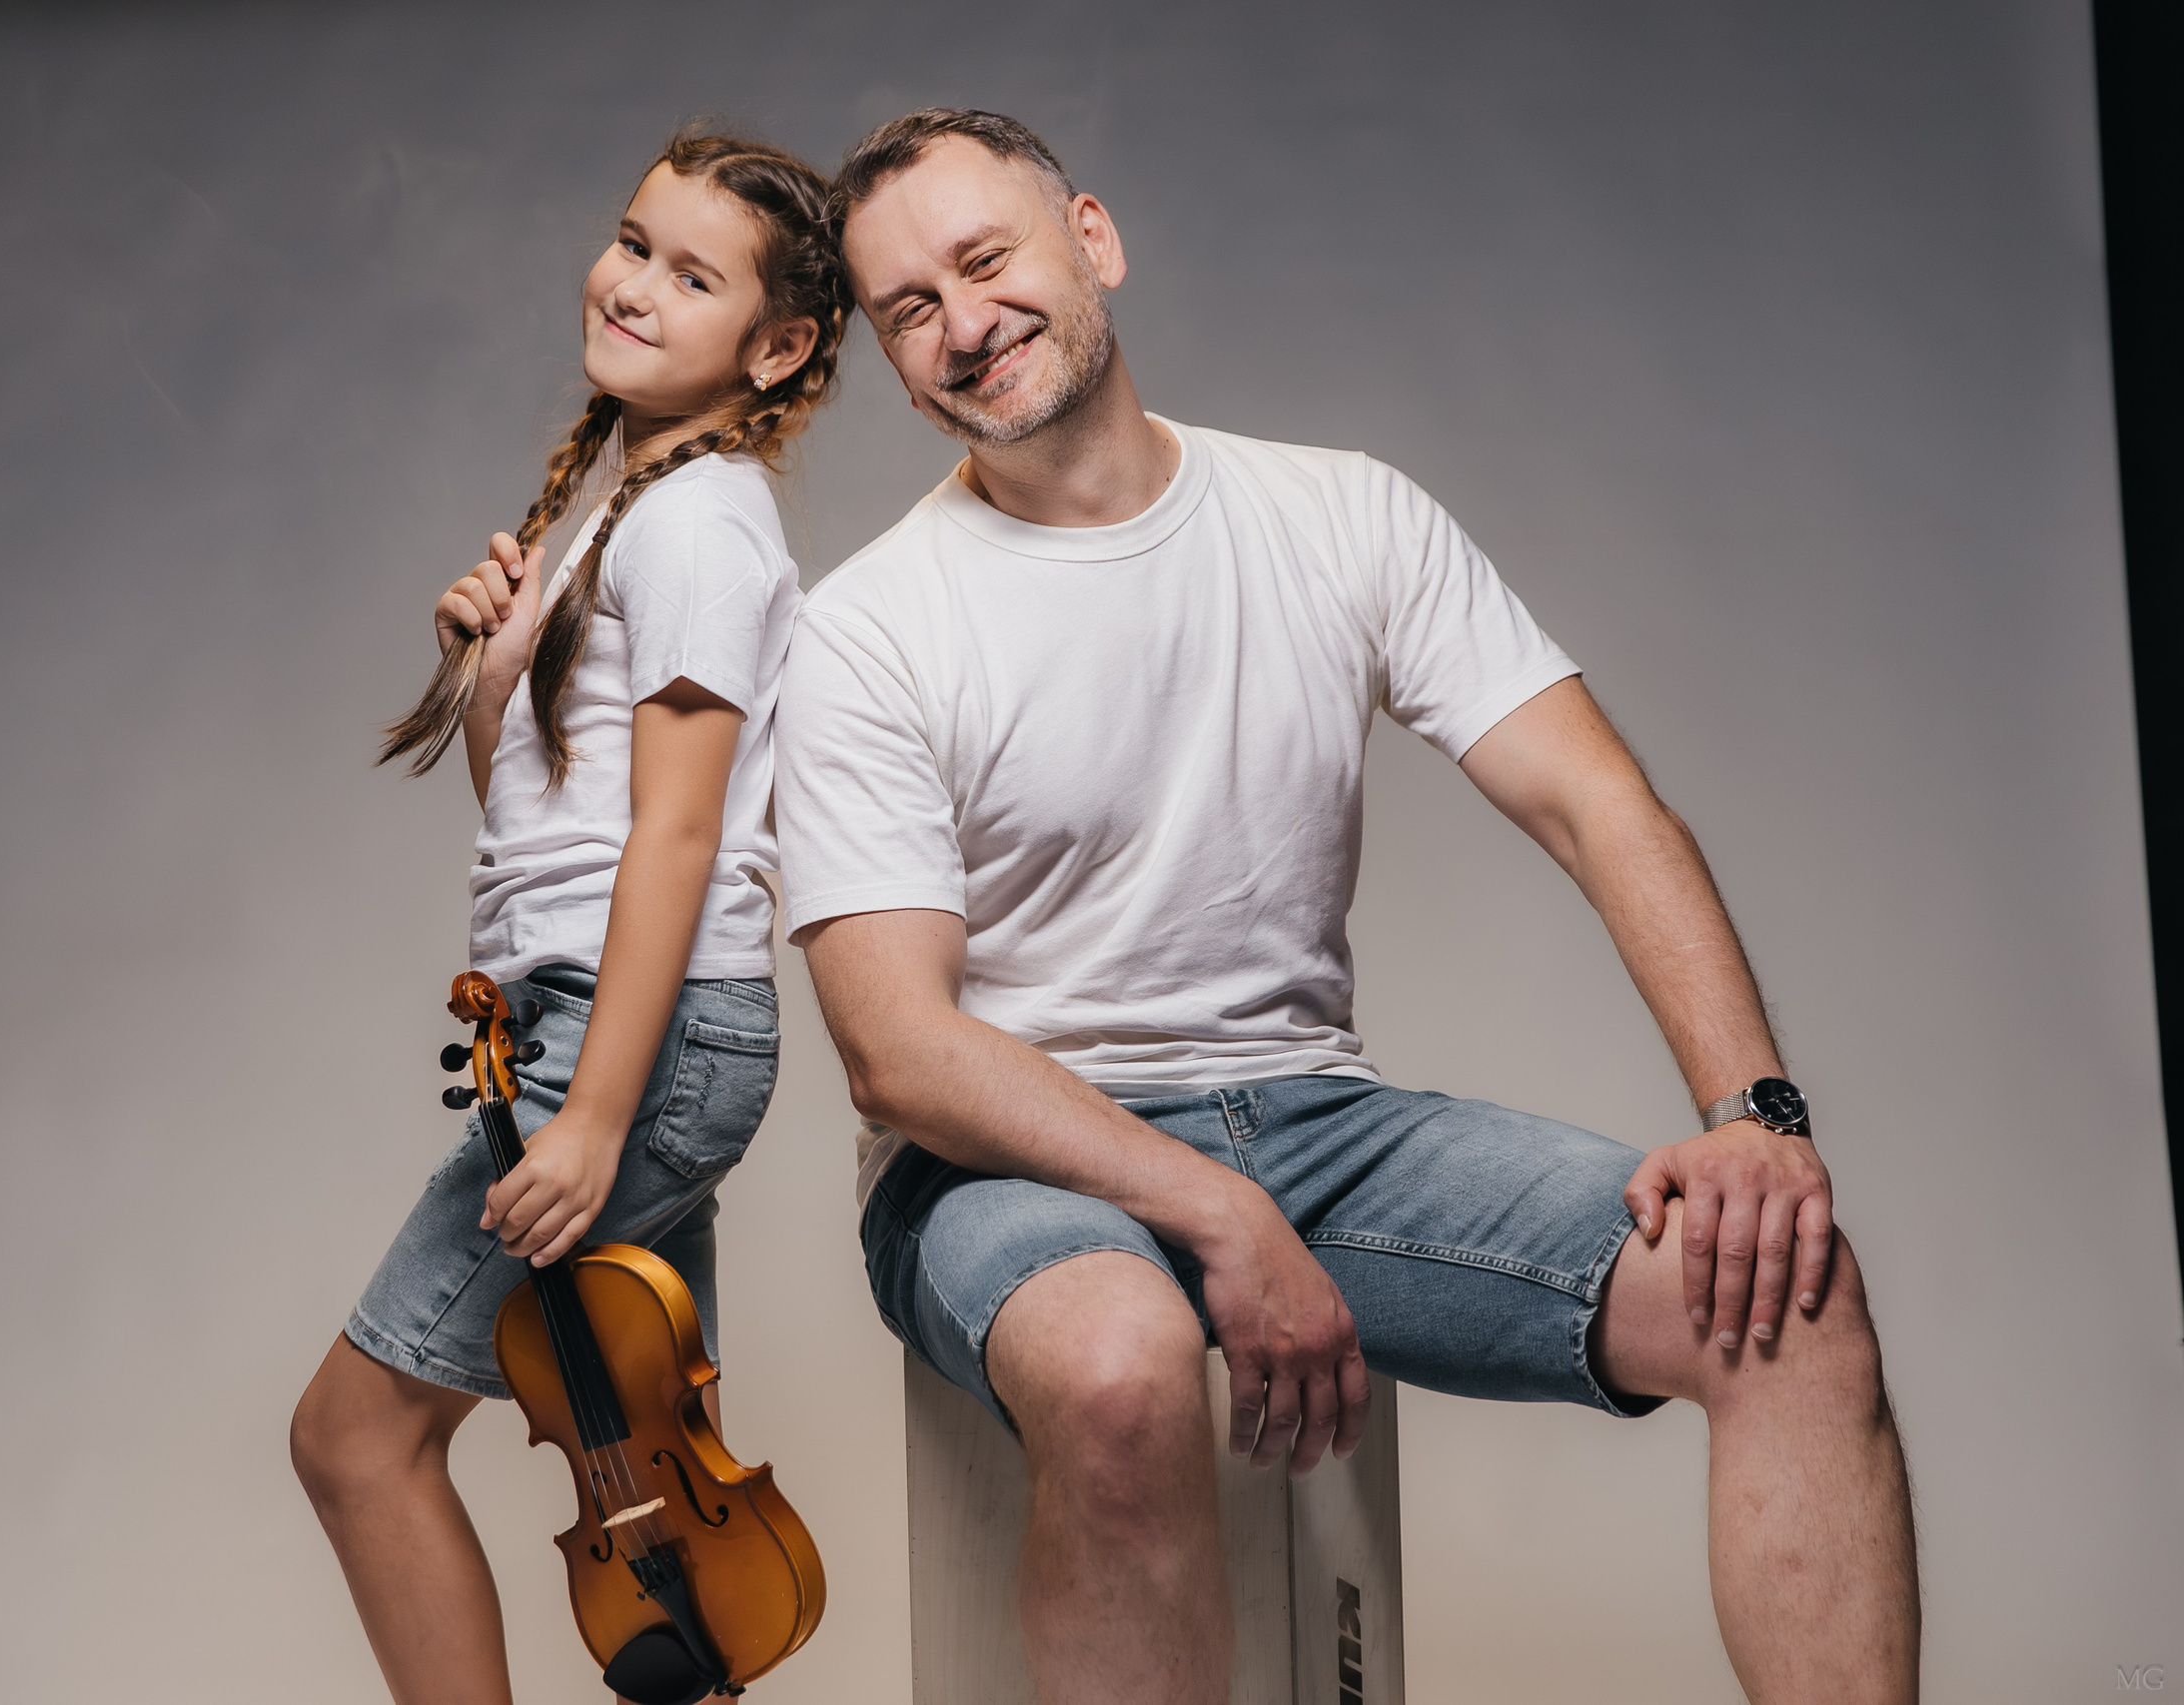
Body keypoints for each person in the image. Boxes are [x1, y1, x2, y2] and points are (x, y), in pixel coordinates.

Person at [778, 109, 1918, 1704]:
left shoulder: (1338, 514)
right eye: (911, 309)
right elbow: (900, 1054)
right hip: (1010, 1165)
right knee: (1120, 1373)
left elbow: (1599, 808)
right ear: (897, 368)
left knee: (1788, 1301)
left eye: (987, 260)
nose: (965, 323)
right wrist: (1217, 1212)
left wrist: (1753, 1113)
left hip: (1319, 1127)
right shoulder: (867, 630)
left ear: (1090, 240)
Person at [289, 131, 843, 1705]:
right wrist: (492, 671)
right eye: (631, 240)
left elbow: (679, 829)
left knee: (355, 1440)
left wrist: (594, 1113)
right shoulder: (638, 509)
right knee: (658, 1518)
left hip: (630, 1035)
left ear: (780, 344)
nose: (635, 284)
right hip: (617, 1014)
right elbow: (555, 830)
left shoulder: (697, 523)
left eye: (693, 273)